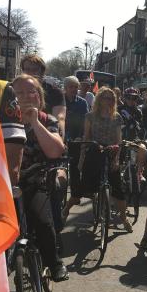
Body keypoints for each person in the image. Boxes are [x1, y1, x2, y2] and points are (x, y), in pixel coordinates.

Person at [10, 74, 69, 282]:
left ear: (39, 96)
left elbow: (55, 151)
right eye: (19, 93)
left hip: (36, 180)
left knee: (43, 221)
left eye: (31, 92)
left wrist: (34, 121)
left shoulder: (47, 120)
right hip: (6, 183)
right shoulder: (2, 119)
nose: (25, 97)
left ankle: (54, 264)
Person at [79, 87, 132, 232]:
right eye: (105, 98)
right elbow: (86, 137)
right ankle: (71, 207)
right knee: (87, 183)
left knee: (118, 187)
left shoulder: (117, 117)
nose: (108, 101)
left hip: (111, 151)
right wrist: (82, 157)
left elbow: (119, 140)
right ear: (99, 99)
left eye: (111, 98)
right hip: (95, 150)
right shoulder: (90, 116)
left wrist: (116, 159)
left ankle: (123, 218)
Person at [62, 76, 89, 219]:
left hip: (76, 141)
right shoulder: (60, 100)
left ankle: (74, 195)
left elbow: (86, 122)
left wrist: (82, 137)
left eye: (75, 87)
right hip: (61, 139)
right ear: (65, 88)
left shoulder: (82, 103)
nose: (73, 89)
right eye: (70, 87)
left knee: (75, 170)